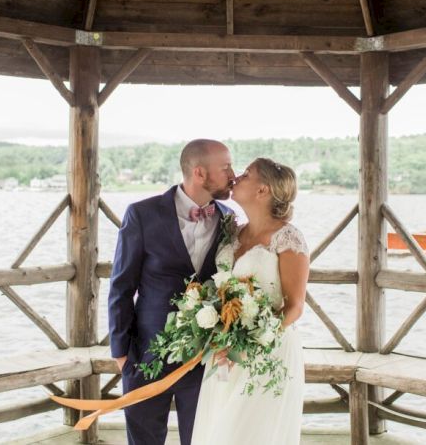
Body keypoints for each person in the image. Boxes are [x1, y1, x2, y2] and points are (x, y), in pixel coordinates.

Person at [108, 139, 235, 445]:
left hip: (203, 358)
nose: (234, 174)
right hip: (145, 354)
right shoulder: (142, 213)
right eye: (226, 167)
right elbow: (121, 286)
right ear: (200, 173)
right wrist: (121, 354)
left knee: (202, 439)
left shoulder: (230, 219)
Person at [191, 158, 310, 445]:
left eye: (247, 174)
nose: (237, 177)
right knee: (218, 429)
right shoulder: (231, 232)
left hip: (268, 352)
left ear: (263, 190)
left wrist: (248, 341)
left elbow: (294, 307)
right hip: (223, 351)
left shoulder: (288, 238)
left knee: (249, 432)